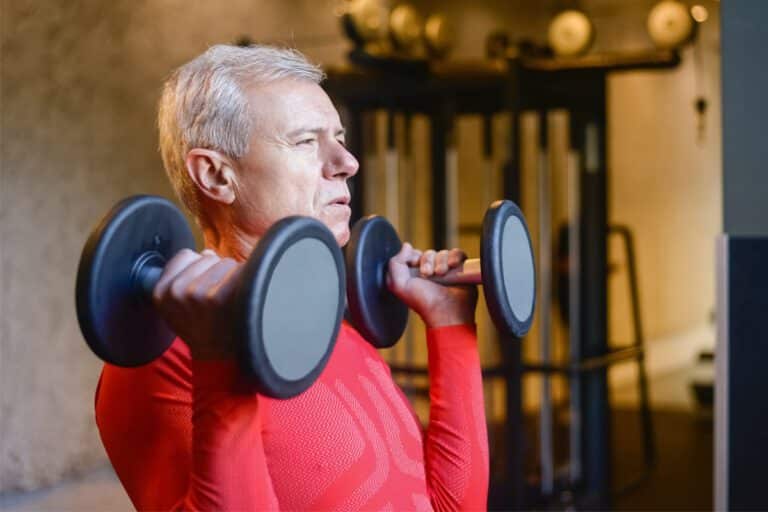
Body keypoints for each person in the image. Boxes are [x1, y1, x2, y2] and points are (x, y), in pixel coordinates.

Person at [95, 44, 489, 511]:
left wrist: (451, 329)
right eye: (306, 141)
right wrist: (220, 362)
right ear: (216, 175)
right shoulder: (161, 356)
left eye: (338, 137)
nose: (347, 161)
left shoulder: (329, 330)